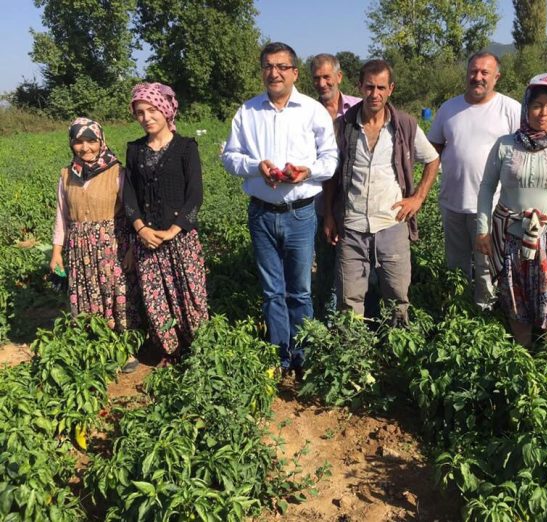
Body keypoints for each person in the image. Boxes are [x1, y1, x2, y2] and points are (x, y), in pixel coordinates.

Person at [222, 42, 339, 381]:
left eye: (282, 67)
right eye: (268, 66)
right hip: (261, 214)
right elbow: (229, 157)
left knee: (299, 290)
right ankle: (280, 355)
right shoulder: (248, 112)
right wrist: (256, 167)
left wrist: (306, 171)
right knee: (272, 291)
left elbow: (330, 160)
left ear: (294, 73)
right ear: (262, 71)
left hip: (301, 213)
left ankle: (302, 355)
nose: (274, 72)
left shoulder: (313, 110)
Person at [323, 59, 440, 324]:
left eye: (380, 88)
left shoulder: (405, 126)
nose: (374, 94)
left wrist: (418, 197)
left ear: (391, 89)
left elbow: (432, 159)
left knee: (397, 296)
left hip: (392, 223)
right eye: (369, 87)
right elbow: (332, 174)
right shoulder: (343, 127)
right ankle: (353, 357)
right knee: (348, 300)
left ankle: (396, 355)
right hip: (351, 227)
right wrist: (329, 214)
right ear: (359, 87)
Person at [476, 73, 547, 347]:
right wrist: (482, 229)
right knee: (516, 297)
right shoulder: (505, 145)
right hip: (511, 236)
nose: (543, 113)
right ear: (526, 106)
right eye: (538, 105)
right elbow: (487, 187)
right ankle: (522, 355)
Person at [122, 82, 208, 365]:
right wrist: (140, 228)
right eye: (140, 113)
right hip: (147, 240)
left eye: (152, 110)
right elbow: (130, 193)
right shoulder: (135, 150)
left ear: (166, 110)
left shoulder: (185, 148)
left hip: (180, 239)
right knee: (157, 300)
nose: (146, 117)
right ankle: (170, 351)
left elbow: (195, 193)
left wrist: (175, 228)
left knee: (190, 297)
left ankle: (197, 352)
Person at [428, 51, 520, 309]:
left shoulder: (510, 109)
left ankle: (485, 315)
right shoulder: (449, 108)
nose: (477, 77)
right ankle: (458, 310)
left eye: (484, 73)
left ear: (497, 77)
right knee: (455, 265)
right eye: (473, 71)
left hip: (491, 207)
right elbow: (433, 149)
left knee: (486, 266)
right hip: (453, 202)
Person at [50, 118, 141, 370]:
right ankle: (96, 347)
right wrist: (57, 252)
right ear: (71, 144)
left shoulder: (116, 172)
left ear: (102, 141)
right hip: (79, 249)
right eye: (78, 141)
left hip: (113, 245)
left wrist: (133, 248)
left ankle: (124, 348)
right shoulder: (67, 175)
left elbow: (133, 214)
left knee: (117, 296)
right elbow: (62, 217)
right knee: (86, 296)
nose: (85, 147)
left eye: (91, 140)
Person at [310, 53, 363, 318]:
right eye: (317, 78)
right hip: (319, 202)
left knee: (357, 265)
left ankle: (355, 317)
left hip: (357, 202)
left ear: (339, 77)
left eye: (327, 77)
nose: (322, 83)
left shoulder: (359, 108)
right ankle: (324, 319)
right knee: (326, 262)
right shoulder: (307, 112)